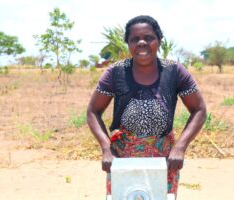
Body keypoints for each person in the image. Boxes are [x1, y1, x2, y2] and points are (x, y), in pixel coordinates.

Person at [87, 15, 207, 198]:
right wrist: (106, 149)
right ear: (128, 43)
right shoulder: (116, 72)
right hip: (122, 158)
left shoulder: (174, 71)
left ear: (159, 40)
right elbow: (93, 111)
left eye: (148, 37)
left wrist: (180, 147)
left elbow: (199, 109)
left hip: (165, 159)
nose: (141, 42)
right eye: (135, 39)